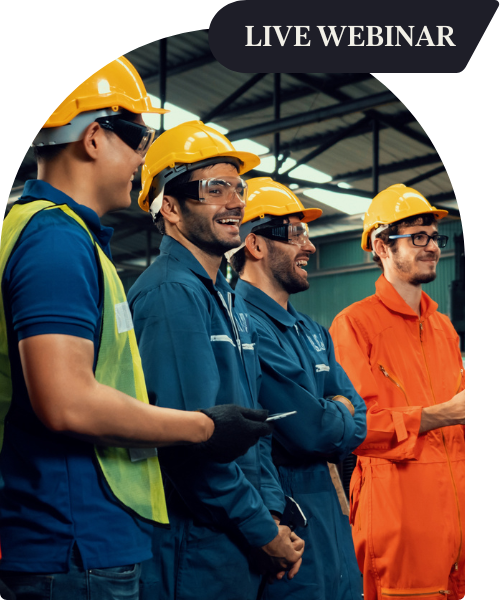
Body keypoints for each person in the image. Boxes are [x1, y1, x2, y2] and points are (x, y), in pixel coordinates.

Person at [0, 60, 274, 599]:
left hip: (77, 538)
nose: (141, 160)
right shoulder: (55, 240)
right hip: (71, 541)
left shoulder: (54, 234)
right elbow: (67, 401)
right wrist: (205, 427)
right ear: (95, 137)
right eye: (137, 140)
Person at [127, 122, 304, 600]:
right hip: (195, 544)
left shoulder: (227, 297)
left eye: (237, 188)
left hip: (237, 535)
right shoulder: (171, 294)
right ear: (169, 206)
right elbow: (194, 447)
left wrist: (271, 514)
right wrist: (263, 532)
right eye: (213, 188)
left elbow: (253, 428)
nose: (234, 202)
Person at [329, 184, 473, 600]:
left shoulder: (444, 327)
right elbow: (359, 429)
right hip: (400, 529)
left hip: (458, 530)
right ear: (381, 246)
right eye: (417, 237)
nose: (431, 247)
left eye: (434, 237)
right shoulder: (354, 325)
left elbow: (465, 413)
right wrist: (445, 413)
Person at [227, 177, 367, 600]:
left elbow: (357, 418)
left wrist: (333, 414)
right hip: (289, 523)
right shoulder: (242, 324)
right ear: (255, 245)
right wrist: (333, 411)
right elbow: (312, 432)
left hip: (333, 521)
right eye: (294, 233)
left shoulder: (313, 331)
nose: (309, 246)